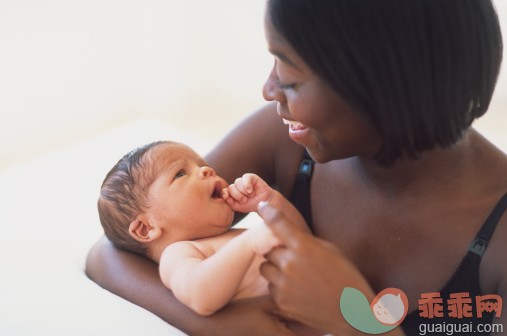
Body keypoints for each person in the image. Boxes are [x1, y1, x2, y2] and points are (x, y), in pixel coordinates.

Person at [86, 0, 507, 335]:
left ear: (378, 85)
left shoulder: (498, 241)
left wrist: (350, 321)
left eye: (290, 75)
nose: (269, 89)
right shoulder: (284, 142)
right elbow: (113, 251)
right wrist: (232, 326)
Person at [97, 141, 316, 322]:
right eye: (181, 174)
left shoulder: (233, 236)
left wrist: (270, 202)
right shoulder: (178, 255)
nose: (206, 170)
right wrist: (250, 243)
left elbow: (303, 241)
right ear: (147, 228)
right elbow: (200, 296)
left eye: (200, 164)